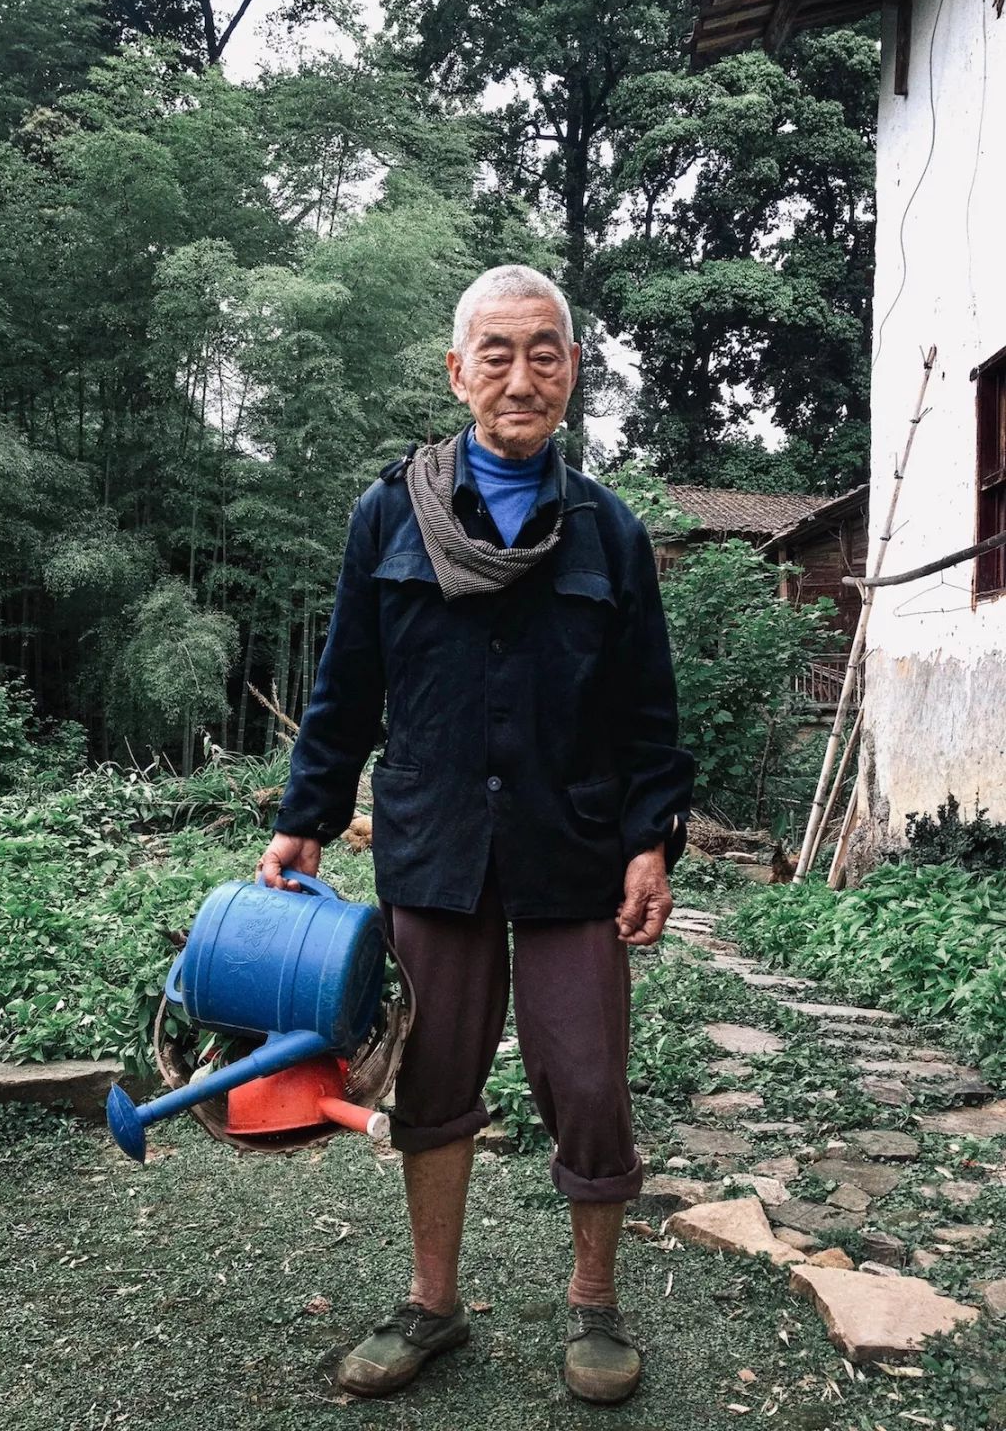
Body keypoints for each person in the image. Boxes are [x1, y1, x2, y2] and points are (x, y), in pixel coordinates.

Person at [257, 264, 694, 1406]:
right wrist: (306, 817)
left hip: (571, 848)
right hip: (435, 843)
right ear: (457, 371)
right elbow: (346, 685)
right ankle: (432, 1304)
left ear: (573, 373)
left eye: (544, 353)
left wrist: (650, 840)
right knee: (433, 1078)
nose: (520, 376)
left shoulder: (606, 530)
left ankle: (593, 1306)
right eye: (495, 353)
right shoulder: (390, 514)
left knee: (587, 1079)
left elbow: (648, 710)